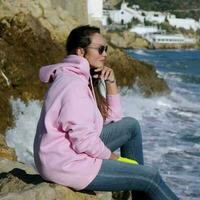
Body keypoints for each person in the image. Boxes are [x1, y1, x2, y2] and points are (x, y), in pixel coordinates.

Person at [33, 25, 179, 200]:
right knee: (150, 177)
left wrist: (111, 83)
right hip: (66, 164)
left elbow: (114, 120)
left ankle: (137, 183)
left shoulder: (79, 77)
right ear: (81, 52)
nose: (105, 54)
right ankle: (139, 181)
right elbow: (83, 140)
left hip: (64, 154)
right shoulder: (74, 85)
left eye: (106, 49)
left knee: (130, 126)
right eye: (100, 49)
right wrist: (113, 158)